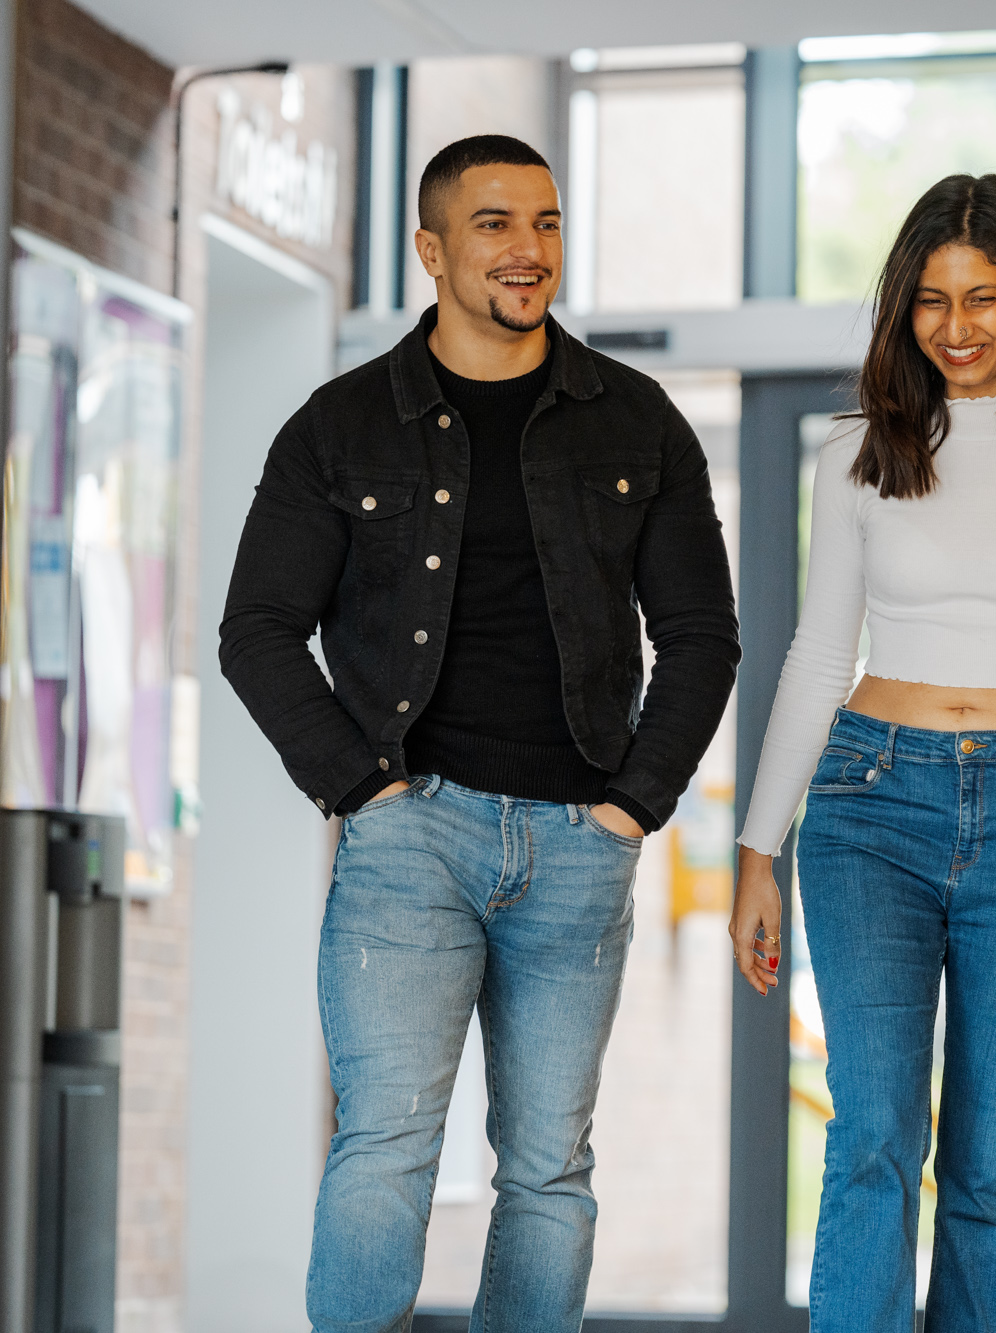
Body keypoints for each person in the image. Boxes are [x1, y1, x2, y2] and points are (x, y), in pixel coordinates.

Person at [218, 134, 739, 1332]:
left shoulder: (637, 421)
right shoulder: (339, 427)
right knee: (385, 1146)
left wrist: (631, 808)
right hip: (412, 836)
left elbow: (702, 636)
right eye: (496, 224)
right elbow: (256, 630)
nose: (527, 250)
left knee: (549, 1171)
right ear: (432, 250)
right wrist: (360, 791)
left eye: (547, 223)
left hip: (580, 839)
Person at [731, 173, 996, 1332]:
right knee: (870, 1134)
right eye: (930, 300)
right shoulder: (860, 446)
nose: (956, 327)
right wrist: (757, 850)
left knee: (988, 1163)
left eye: (983, 297)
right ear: (899, 310)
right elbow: (818, 655)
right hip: (870, 801)